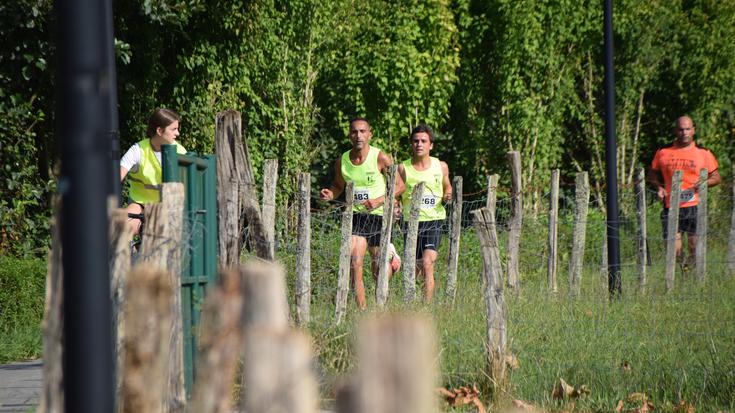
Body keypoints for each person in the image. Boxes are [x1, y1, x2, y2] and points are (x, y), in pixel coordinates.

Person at [320, 118, 403, 309]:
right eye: (355, 132)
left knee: (378, 268)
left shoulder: (380, 157)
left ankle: (391, 262)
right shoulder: (342, 161)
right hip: (356, 216)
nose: (359, 136)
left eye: (363, 131)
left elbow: (399, 186)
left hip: (378, 216)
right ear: (349, 135)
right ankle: (363, 311)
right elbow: (338, 185)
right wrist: (330, 193)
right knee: (355, 262)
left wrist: (378, 201)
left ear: (370, 134)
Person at [648, 115, 721, 270]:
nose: (684, 133)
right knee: (673, 248)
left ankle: (692, 270)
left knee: (695, 246)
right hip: (671, 206)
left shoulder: (704, 153)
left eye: (688, 129)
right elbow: (652, 174)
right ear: (676, 131)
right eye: (681, 129)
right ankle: (684, 270)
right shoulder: (663, 151)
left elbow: (716, 177)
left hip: (694, 205)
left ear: (693, 130)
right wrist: (659, 187)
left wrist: (703, 183)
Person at [397, 124, 452, 301]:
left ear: (431, 145)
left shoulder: (441, 166)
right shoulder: (402, 168)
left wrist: (448, 194)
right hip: (410, 223)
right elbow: (396, 192)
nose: (419, 144)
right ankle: (413, 304)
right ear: (411, 144)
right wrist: (397, 207)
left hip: (433, 221)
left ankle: (427, 307)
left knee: (428, 263)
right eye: (415, 141)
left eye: (423, 141)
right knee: (415, 267)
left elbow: (447, 185)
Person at [120, 108, 187, 235]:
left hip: (167, 209)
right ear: (159, 131)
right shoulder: (138, 150)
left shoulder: (181, 152)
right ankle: (130, 253)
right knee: (121, 227)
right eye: (173, 129)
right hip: (140, 204)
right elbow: (116, 176)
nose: (177, 133)